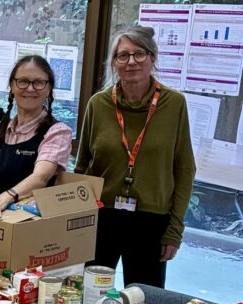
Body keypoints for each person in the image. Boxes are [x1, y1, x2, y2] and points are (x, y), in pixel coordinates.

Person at [75, 26, 195, 288]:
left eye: (139, 54)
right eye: (123, 55)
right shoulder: (98, 104)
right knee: (89, 296)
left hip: (151, 221)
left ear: (152, 58)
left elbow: (184, 168)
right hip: (102, 217)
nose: (131, 61)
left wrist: (175, 230)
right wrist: (75, 221)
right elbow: (82, 165)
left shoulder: (174, 104)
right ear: (114, 63)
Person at [0, 55, 72, 222]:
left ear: (49, 88)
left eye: (39, 82)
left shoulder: (57, 132)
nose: (30, 88)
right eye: (23, 81)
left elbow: (41, 178)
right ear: (12, 86)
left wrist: (3, 199)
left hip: (30, 228)